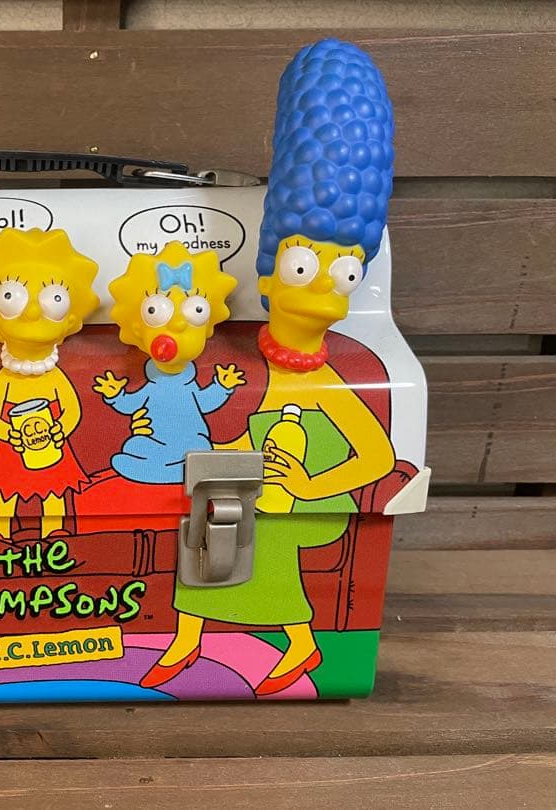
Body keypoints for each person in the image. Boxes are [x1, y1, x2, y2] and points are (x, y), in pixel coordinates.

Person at [141, 39, 397, 696]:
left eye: (344, 272)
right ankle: (193, 642)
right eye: (303, 266)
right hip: (255, 490)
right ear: (269, 270)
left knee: (263, 537)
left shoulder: (327, 379)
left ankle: (303, 648)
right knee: (222, 526)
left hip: (305, 501)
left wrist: (310, 486)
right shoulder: (265, 358)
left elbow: (375, 456)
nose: (322, 289)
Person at [0, 228, 99, 539]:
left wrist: (59, 430)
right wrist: (9, 433)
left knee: (54, 490)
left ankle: (54, 531)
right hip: (13, 447)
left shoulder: (55, 376)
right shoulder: (5, 377)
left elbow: (72, 410)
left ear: (71, 317)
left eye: (55, 299)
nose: (34, 310)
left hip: (50, 444)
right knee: (5, 491)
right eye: (11, 297)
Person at [94, 243, 244, 484]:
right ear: (136, 327)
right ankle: (162, 467)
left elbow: (205, 402)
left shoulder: (187, 386)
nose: (178, 324)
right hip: (157, 440)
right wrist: (115, 395)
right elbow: (131, 404)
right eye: (155, 310)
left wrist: (222, 386)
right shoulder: (150, 386)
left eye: (196, 310)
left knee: (198, 447)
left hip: (191, 440)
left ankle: (162, 467)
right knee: (137, 443)